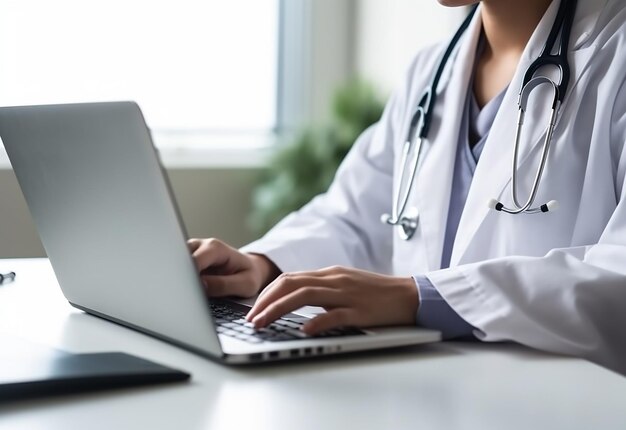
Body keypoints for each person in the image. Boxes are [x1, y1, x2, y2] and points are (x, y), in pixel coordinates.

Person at [188, 0, 626, 375]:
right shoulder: (431, 72)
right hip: (439, 388)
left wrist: (422, 297)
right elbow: (355, 215)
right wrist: (262, 264)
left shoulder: (616, 57)